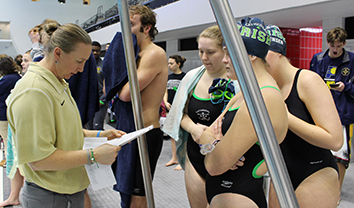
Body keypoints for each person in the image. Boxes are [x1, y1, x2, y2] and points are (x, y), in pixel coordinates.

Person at [7, 23, 123, 208]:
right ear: (58, 53)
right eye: (79, 61)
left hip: (66, 191)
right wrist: (93, 155)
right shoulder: (34, 91)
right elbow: (38, 159)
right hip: (50, 196)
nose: (82, 69)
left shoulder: (59, 82)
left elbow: (65, 132)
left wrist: (101, 135)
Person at [198, 17, 288, 208]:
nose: (224, 60)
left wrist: (210, 145)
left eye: (228, 53)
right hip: (224, 194)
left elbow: (214, 165)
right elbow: (206, 134)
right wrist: (213, 144)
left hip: (239, 197)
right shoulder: (247, 92)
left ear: (251, 55)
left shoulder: (263, 98)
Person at [265, 24, 343, 208]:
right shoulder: (267, 87)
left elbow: (335, 140)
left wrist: (286, 117)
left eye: (260, 56)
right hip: (280, 171)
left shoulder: (307, 80)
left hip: (315, 171)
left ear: (278, 53)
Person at [163, 25, 239, 208]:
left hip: (231, 158)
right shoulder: (192, 78)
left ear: (226, 50)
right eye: (201, 51)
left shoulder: (240, 82)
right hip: (196, 157)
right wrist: (194, 129)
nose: (204, 57)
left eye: (210, 52)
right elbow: (179, 114)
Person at [112, 5, 168, 208]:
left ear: (147, 28)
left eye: (131, 24)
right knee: (125, 195)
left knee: (137, 199)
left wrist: (114, 85)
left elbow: (126, 94)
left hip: (144, 134)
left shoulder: (154, 54)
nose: (125, 30)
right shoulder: (132, 54)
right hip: (128, 132)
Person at [309, 27, 354, 204]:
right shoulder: (318, 59)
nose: (335, 49)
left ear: (344, 44)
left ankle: (335, 192)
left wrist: (346, 87)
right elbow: (310, 84)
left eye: (338, 46)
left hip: (343, 115)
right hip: (321, 114)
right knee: (318, 153)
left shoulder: (352, 60)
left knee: (340, 156)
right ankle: (318, 190)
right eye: (332, 45)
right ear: (327, 43)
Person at [164, 55, 186, 170]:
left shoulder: (185, 77)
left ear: (178, 64)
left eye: (171, 63)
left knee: (181, 134)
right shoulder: (168, 77)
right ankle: (174, 158)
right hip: (170, 109)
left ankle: (183, 160)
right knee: (172, 134)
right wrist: (165, 102)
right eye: (168, 63)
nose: (169, 66)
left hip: (180, 109)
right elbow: (165, 91)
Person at [0, 56, 21, 168]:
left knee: (6, 138)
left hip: (3, 114)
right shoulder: (17, 77)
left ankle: (10, 162)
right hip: (12, 112)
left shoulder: (5, 80)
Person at [87, 41, 108, 130]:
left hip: (100, 102)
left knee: (97, 128)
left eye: (97, 51)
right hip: (88, 103)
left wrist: (102, 100)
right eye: (93, 50)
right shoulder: (84, 64)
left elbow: (108, 84)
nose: (95, 53)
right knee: (88, 128)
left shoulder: (104, 65)